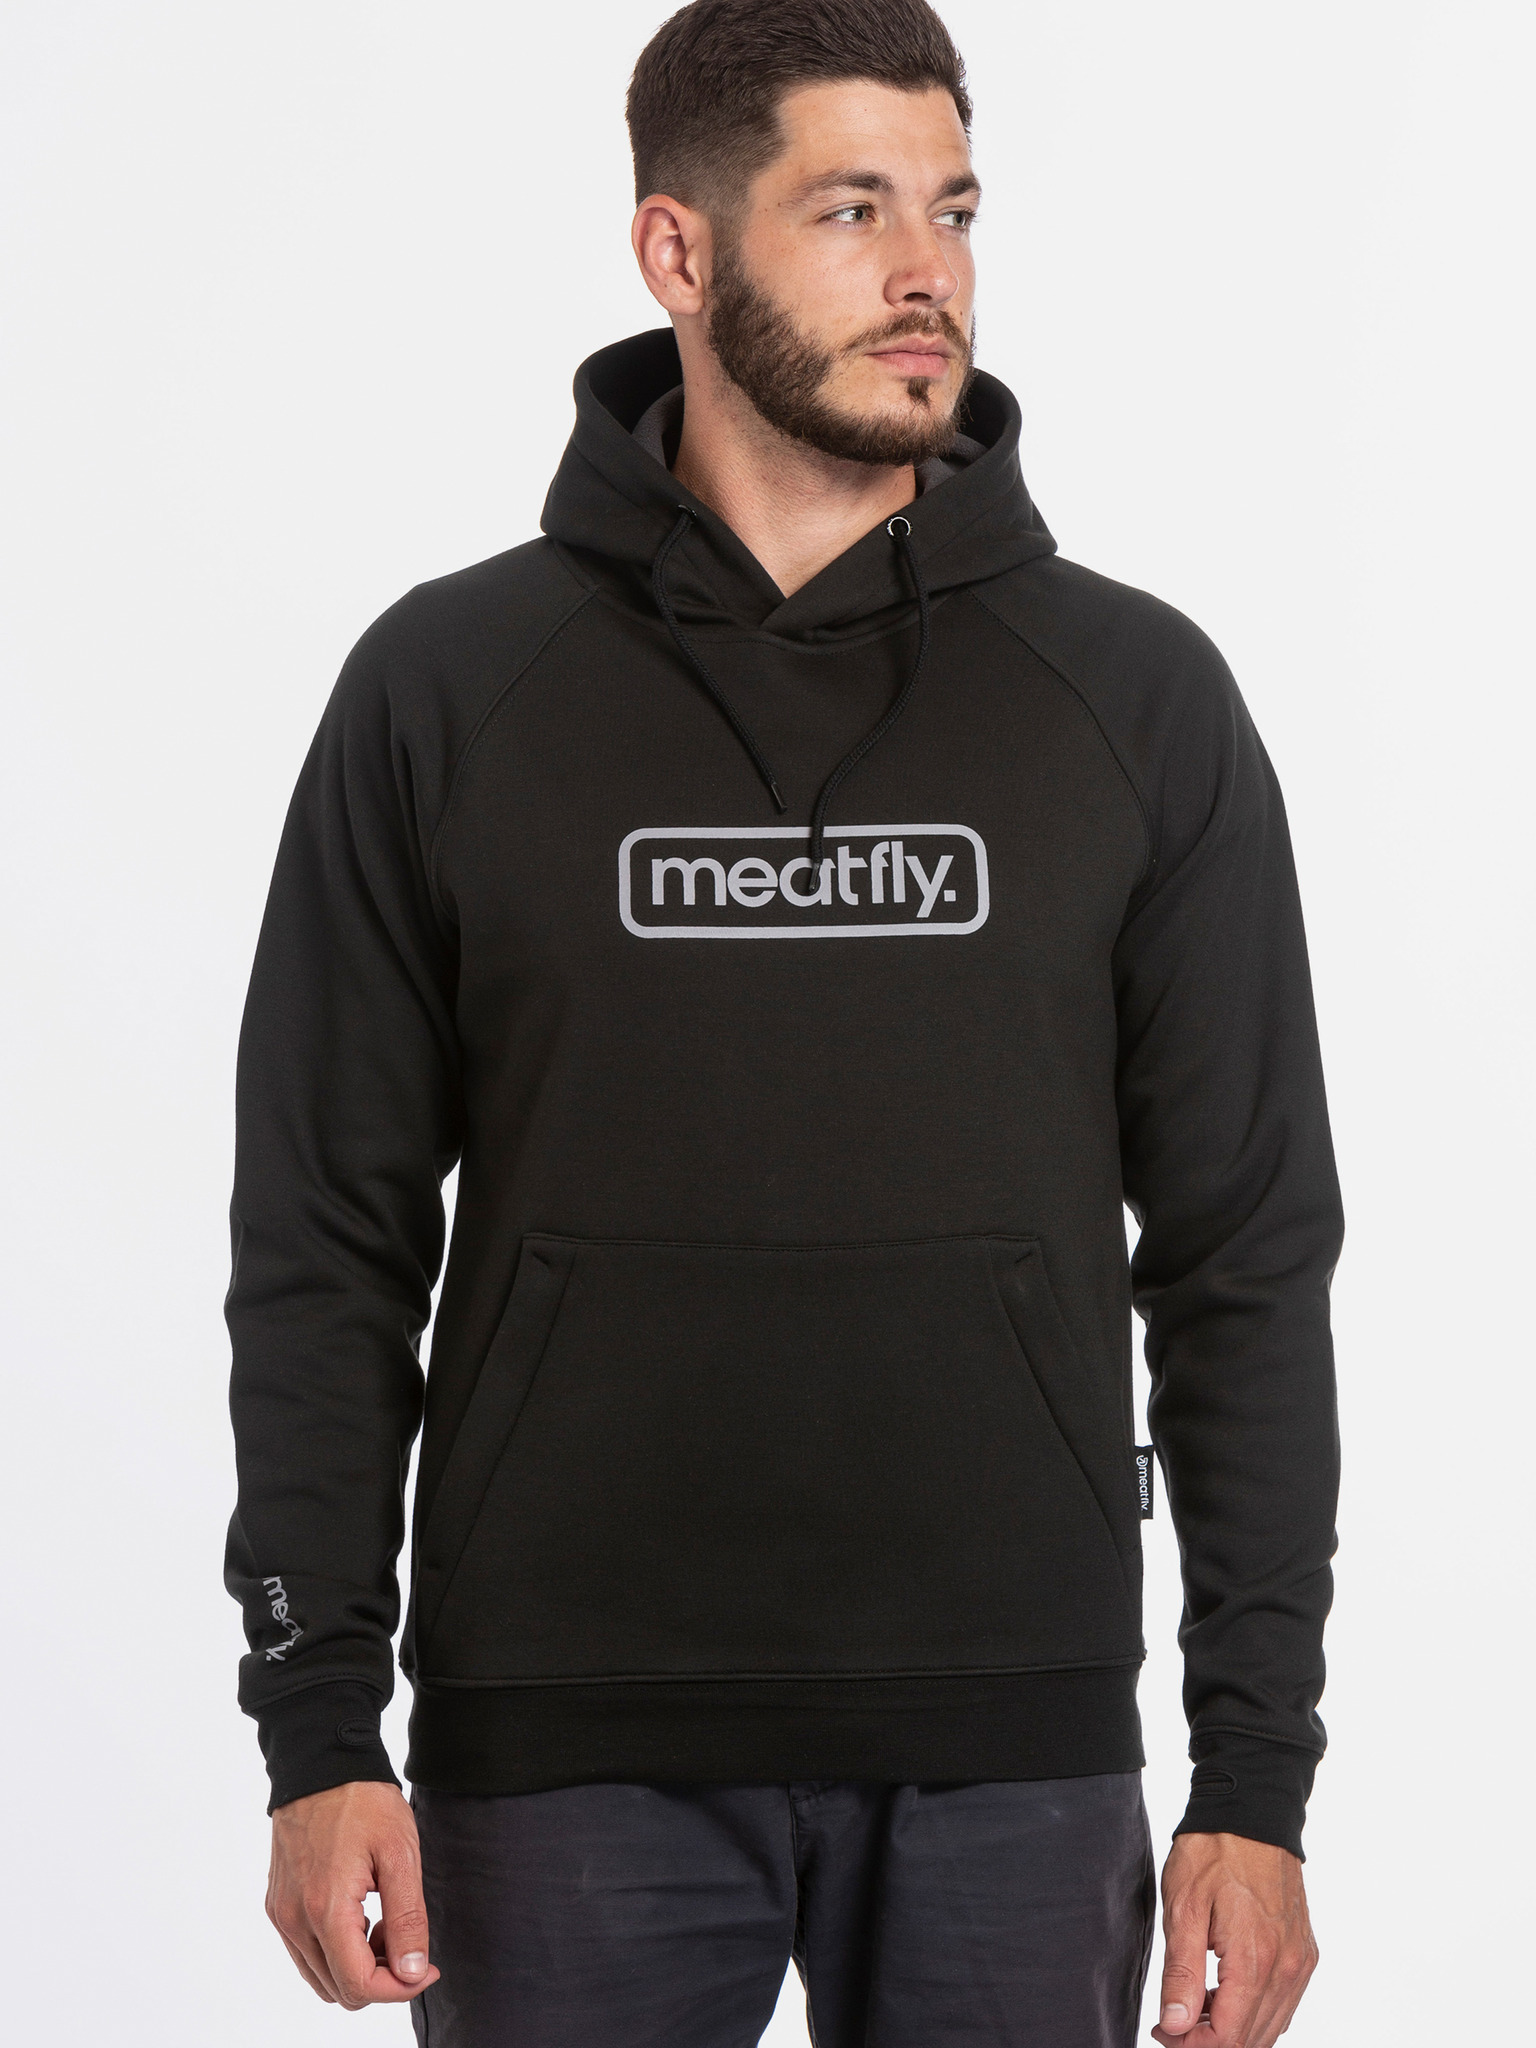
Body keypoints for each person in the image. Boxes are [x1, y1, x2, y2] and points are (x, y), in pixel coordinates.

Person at [225, 2, 1341, 2042]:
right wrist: (317, 1721)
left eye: (955, 211)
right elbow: (325, 1240)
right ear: (678, 250)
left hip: (1016, 1737)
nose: (930, 274)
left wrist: (1254, 1776)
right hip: (562, 1740)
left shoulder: (1136, 699)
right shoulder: (448, 689)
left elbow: (1246, 1253)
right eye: (852, 209)